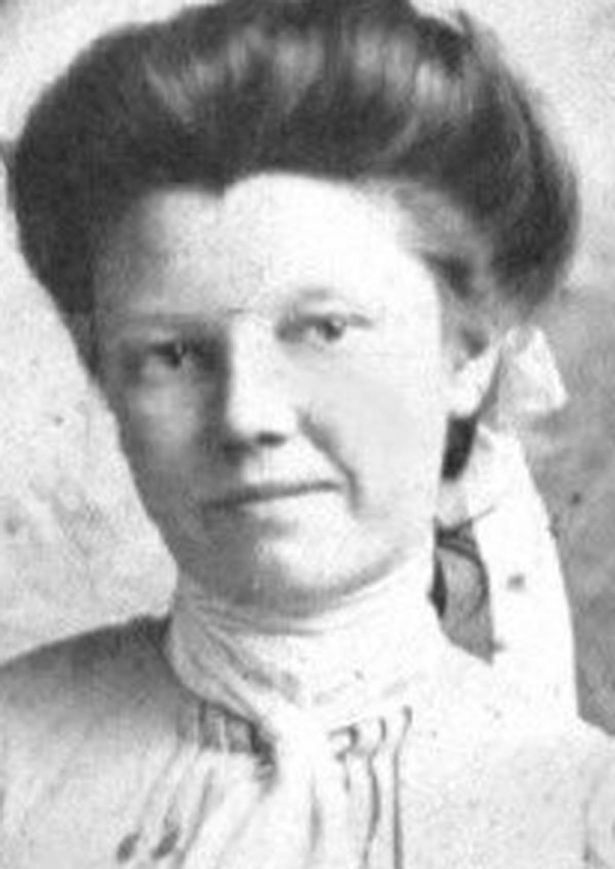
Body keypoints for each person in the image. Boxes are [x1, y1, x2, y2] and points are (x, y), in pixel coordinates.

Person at [2, 0, 614, 865]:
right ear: (104, 373)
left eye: (324, 330)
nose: (245, 414)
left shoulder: (585, 816)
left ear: (470, 354)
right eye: (172, 353)